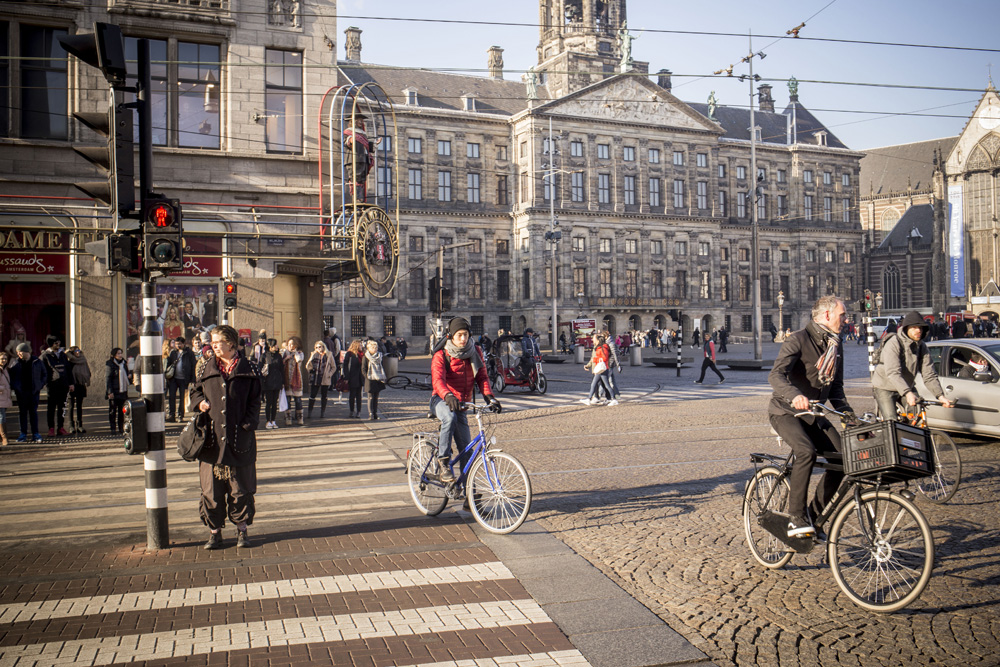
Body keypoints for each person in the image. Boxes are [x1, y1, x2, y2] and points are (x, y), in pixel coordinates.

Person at [768, 296, 855, 539]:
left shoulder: (835, 345)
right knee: (806, 451)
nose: (847, 319)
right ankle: (796, 517)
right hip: (785, 411)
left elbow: (836, 389)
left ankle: (814, 518)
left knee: (843, 461)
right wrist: (795, 395)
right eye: (843, 315)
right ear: (826, 316)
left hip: (814, 413)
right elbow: (776, 376)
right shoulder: (797, 339)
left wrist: (851, 417)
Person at [189, 325, 262, 550]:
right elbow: (195, 391)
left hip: (239, 440)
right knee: (211, 490)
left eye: (219, 341)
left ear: (231, 343)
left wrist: (248, 425)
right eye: (212, 341)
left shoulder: (248, 368)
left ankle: (242, 531)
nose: (214, 345)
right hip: (211, 440)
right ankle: (214, 533)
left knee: (239, 489)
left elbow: (255, 401)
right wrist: (199, 402)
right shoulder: (204, 367)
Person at [431, 317, 499, 482]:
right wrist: (448, 395)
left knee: (467, 452)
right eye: (460, 335)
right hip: (441, 399)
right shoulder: (441, 355)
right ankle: (444, 461)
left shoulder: (475, 352)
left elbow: (481, 376)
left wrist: (489, 396)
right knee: (449, 417)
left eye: (466, 335)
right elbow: (438, 380)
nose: (463, 339)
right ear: (451, 336)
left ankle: (471, 499)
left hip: (461, 404)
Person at [871, 311, 954, 420]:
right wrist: (907, 393)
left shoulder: (922, 346)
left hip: (906, 384)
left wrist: (940, 396)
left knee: (916, 416)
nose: (918, 330)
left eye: (921, 328)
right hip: (884, 386)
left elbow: (929, 374)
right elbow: (893, 372)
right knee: (891, 421)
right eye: (914, 327)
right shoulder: (894, 343)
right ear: (906, 328)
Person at [10, 343, 45, 443]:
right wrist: (16, 388)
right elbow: (11, 377)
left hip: (33, 392)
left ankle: (36, 434)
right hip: (21, 393)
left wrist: (40, 385)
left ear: (27, 352)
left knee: (33, 413)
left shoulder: (37, 361)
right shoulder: (15, 362)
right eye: (17, 353)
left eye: (20, 352)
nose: (19, 354)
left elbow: (44, 374)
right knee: (22, 414)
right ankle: (23, 434)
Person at [39, 336, 72, 437]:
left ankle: (60, 427)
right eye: (56, 343)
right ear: (51, 344)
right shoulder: (45, 355)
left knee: (62, 407)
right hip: (52, 385)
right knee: (51, 408)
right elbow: (42, 371)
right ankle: (51, 428)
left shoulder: (62, 354)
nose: (58, 345)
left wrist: (71, 383)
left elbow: (68, 369)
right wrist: (46, 382)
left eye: (59, 343)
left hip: (63, 384)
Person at [581, 332, 615, 406]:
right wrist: (589, 364)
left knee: (603, 385)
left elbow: (604, 358)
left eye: (593, 338)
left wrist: (595, 360)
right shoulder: (598, 348)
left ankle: (612, 399)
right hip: (599, 368)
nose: (592, 339)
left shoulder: (603, 348)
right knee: (602, 385)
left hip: (601, 369)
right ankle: (609, 398)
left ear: (598, 340)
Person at [167, 336, 196, 422]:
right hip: (173, 379)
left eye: (179, 344)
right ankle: (172, 414)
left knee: (182, 398)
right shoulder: (173, 353)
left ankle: (180, 415)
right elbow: (168, 365)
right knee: (172, 397)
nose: (178, 345)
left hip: (184, 379)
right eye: (176, 344)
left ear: (184, 344)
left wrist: (192, 379)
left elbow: (193, 366)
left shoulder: (189, 353)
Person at [306, 340, 336, 419]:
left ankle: (322, 412)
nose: (318, 348)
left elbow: (334, 367)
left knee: (324, 396)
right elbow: (308, 365)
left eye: (320, 347)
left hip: (325, 378)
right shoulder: (314, 354)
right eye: (316, 347)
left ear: (323, 346)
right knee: (312, 395)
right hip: (316, 377)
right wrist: (312, 356)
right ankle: (310, 411)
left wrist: (329, 374)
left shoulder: (329, 354)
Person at [106, 347, 131, 436]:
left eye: (121, 353)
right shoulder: (110, 364)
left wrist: (129, 376)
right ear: (114, 355)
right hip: (114, 391)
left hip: (123, 390)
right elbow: (108, 379)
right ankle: (113, 428)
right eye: (118, 354)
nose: (120, 355)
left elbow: (127, 373)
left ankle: (121, 427)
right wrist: (110, 391)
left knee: (122, 411)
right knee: (113, 410)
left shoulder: (124, 363)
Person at [66, 346, 92, 434]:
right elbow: (68, 374)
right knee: (71, 406)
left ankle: (80, 425)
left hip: (81, 385)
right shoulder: (70, 362)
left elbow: (88, 372)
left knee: (79, 406)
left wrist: (86, 379)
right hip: (72, 385)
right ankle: (71, 426)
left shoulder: (83, 361)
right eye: (75, 351)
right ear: (72, 353)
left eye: (79, 350)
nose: (78, 352)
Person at [261, 339, 284, 429]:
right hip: (268, 382)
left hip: (277, 381)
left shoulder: (279, 356)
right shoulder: (264, 356)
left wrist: (283, 382)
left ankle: (273, 420)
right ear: (270, 346)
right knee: (268, 402)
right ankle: (267, 421)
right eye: (275, 345)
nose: (277, 346)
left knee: (275, 403)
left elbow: (282, 369)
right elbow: (260, 368)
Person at [361, 339, 386, 420]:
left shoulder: (379, 356)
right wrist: (367, 377)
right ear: (369, 348)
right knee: (370, 397)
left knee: (376, 397)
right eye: (373, 348)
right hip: (370, 379)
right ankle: (370, 413)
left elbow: (382, 366)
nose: (375, 349)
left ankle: (375, 413)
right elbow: (363, 368)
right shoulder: (366, 357)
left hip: (378, 378)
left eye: (376, 348)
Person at [343, 339, 364, 418]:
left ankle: (359, 411)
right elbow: (345, 365)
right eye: (360, 345)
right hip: (352, 377)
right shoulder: (350, 354)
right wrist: (346, 377)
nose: (362, 346)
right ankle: (352, 410)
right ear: (356, 345)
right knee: (352, 395)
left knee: (359, 395)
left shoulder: (362, 354)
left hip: (360, 377)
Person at [0, 351, 12, 446]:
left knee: (2, 417)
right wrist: (3, 388)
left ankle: (3, 437)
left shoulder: (5, 369)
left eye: (5, 358)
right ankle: (4, 437)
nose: (4, 360)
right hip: (1, 396)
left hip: (5, 397)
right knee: (1, 417)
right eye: (2, 359)